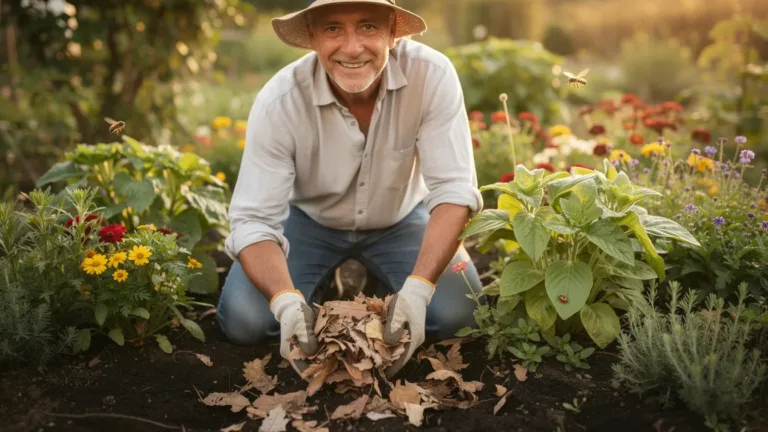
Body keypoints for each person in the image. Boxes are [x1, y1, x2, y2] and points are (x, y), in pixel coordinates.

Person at [217, 0, 484, 378]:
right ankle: (314, 287)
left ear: (393, 31)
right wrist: (285, 301)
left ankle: (388, 284)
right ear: (311, 36)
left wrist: (420, 287)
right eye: (332, 29)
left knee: (460, 317)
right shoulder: (280, 101)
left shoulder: (432, 76)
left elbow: (455, 191)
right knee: (247, 321)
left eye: (368, 27)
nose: (352, 47)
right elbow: (253, 220)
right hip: (310, 222)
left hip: (402, 218)